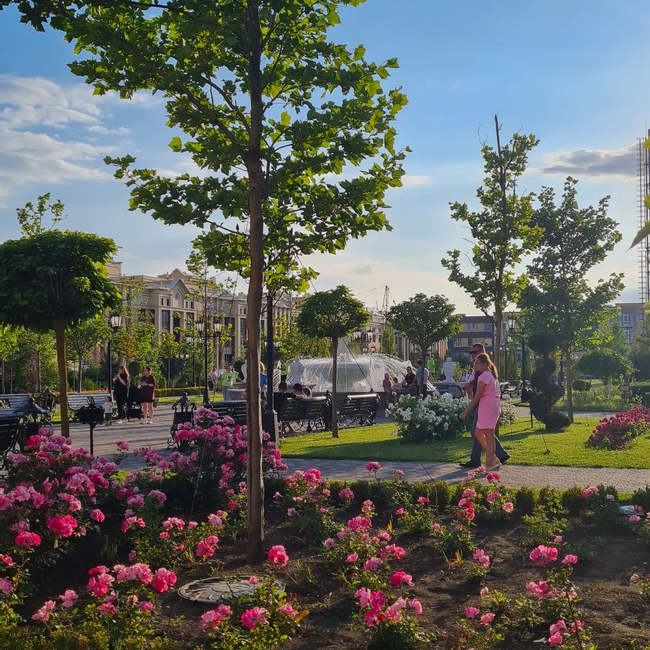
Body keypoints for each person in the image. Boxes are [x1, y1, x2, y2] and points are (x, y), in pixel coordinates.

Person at [460, 349, 509, 470]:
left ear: (485, 364)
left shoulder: (484, 376)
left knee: (488, 434)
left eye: (477, 363)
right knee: (479, 432)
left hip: (488, 405)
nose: (475, 365)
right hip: (490, 404)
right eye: (475, 363)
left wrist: (465, 411)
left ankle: (489, 463)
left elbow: (477, 396)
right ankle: (492, 458)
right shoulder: (491, 374)